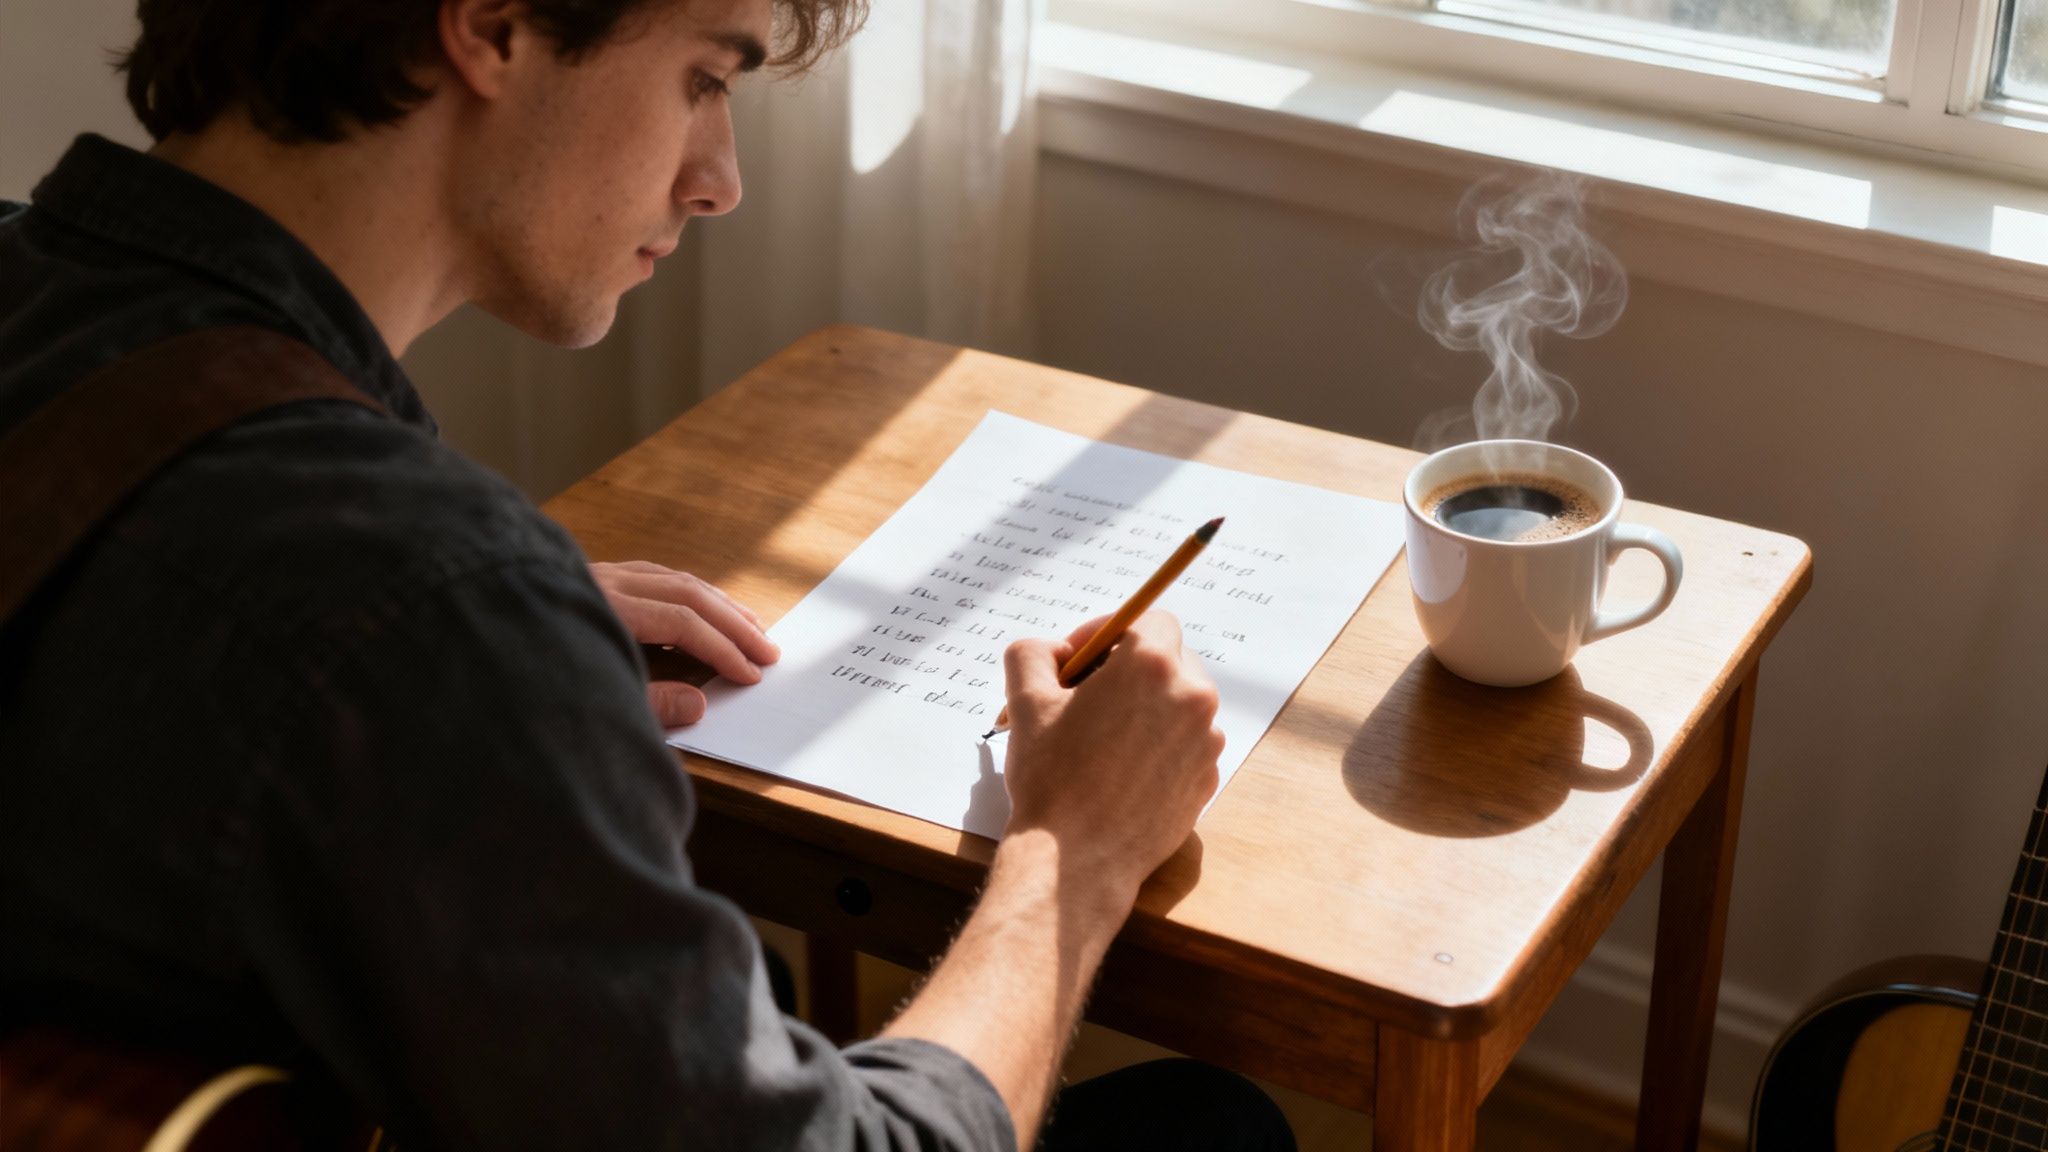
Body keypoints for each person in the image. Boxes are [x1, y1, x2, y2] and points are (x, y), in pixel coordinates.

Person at [0, 1, 1297, 1149]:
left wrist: (477, 654)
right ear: (494, 27)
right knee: (1213, 1126)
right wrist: (1074, 855)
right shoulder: (422, 602)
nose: (721, 181)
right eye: (705, 76)